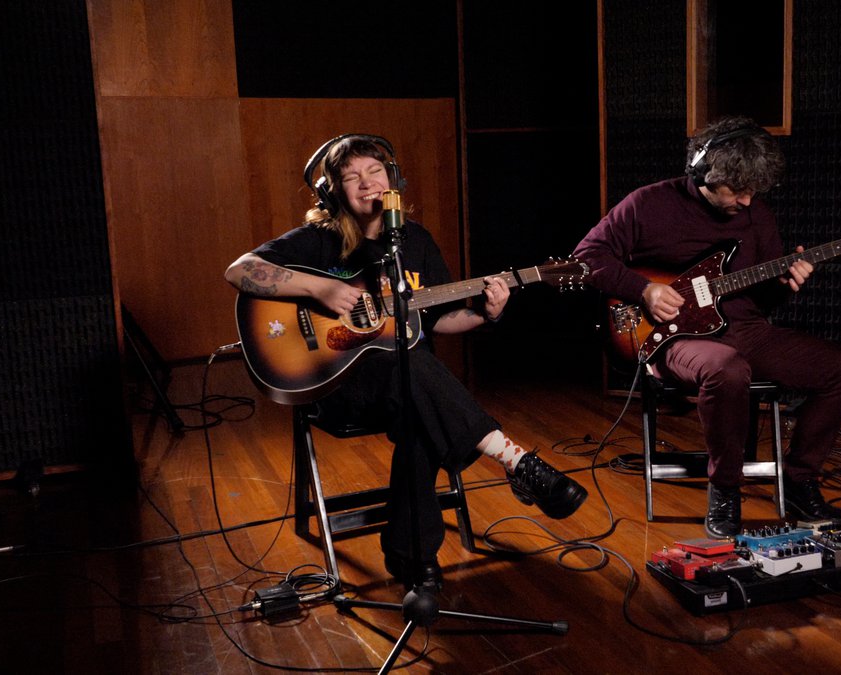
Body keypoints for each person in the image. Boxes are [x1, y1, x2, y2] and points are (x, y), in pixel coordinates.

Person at [225, 134, 587, 589]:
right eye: (351, 177)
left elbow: (438, 321)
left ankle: (411, 559)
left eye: (374, 171)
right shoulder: (318, 241)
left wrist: (485, 313)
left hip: (410, 387)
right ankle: (513, 459)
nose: (366, 184)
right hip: (337, 385)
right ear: (332, 191)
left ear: (392, 178)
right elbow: (239, 270)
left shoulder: (415, 241)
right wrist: (321, 288)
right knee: (417, 377)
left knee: (420, 405)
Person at [573, 116, 841, 537]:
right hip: (674, 337)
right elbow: (587, 257)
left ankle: (800, 480)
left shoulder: (757, 215)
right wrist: (644, 290)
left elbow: (764, 300)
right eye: (737, 190)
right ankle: (725, 487)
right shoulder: (647, 203)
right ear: (703, 171)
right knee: (726, 368)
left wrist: (785, 284)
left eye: (754, 191)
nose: (746, 201)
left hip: (745, 329)